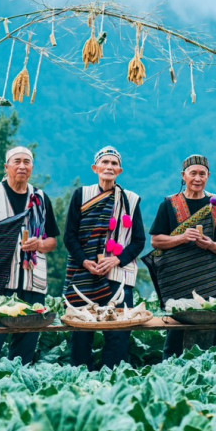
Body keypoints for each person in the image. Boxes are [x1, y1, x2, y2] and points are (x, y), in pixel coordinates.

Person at [0, 145, 60, 365]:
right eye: (16, 161)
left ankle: (19, 391)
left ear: (32, 168)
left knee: (25, 352)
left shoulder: (40, 199)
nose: (22, 166)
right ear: (6, 166)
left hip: (32, 284)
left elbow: (53, 242)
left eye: (26, 162)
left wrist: (39, 243)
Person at [63, 145, 146, 369]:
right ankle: (80, 379)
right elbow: (69, 236)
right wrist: (85, 261)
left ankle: (114, 380)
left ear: (120, 171)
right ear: (95, 168)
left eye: (114, 164)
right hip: (84, 276)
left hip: (117, 277)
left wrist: (116, 260)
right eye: (105, 163)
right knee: (81, 334)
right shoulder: (81, 195)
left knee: (118, 335)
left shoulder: (131, 199)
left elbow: (139, 241)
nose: (109, 167)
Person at [144, 154, 216, 357]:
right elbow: (156, 241)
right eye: (193, 173)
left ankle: (207, 372)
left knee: (209, 329)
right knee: (175, 332)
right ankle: (172, 372)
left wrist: (210, 244)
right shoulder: (168, 204)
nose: (198, 178)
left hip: (207, 279)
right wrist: (181, 238)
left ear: (208, 176)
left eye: (202, 174)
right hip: (176, 279)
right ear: (184, 176)